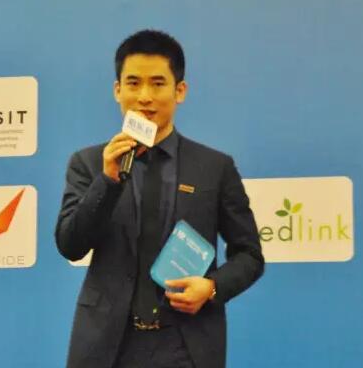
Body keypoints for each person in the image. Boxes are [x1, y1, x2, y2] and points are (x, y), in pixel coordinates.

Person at [55, 29, 264, 368]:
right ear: (117, 90)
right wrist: (107, 181)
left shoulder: (214, 168)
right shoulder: (90, 163)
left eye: (157, 83)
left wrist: (211, 288)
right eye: (133, 83)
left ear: (180, 91)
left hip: (185, 346)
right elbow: (70, 245)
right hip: (106, 347)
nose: (145, 97)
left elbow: (250, 255)